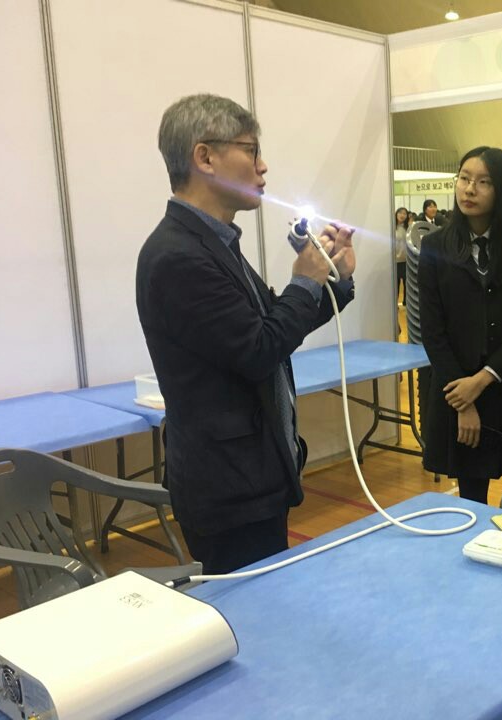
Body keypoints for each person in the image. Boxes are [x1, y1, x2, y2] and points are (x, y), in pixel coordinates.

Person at [136, 94, 356, 574]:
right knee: (250, 612)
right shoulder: (178, 257)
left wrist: (334, 280)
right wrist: (304, 282)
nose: (263, 166)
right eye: (250, 150)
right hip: (227, 487)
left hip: (251, 474)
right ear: (205, 157)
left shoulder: (214, 243)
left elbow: (269, 326)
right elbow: (258, 350)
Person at [418, 146, 502, 504]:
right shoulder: (435, 245)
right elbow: (433, 332)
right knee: (471, 499)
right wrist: (463, 401)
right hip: (455, 389)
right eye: (464, 178)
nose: (469, 189)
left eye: (483, 182)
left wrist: (483, 379)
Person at [394, 206, 409, 306]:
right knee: (396, 284)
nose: (402, 215)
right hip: (395, 261)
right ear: (396, 214)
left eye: (404, 213)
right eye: (400, 213)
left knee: (407, 284)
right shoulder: (392, 227)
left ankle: (406, 303)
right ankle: (394, 304)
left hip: (406, 261)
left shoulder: (408, 228)